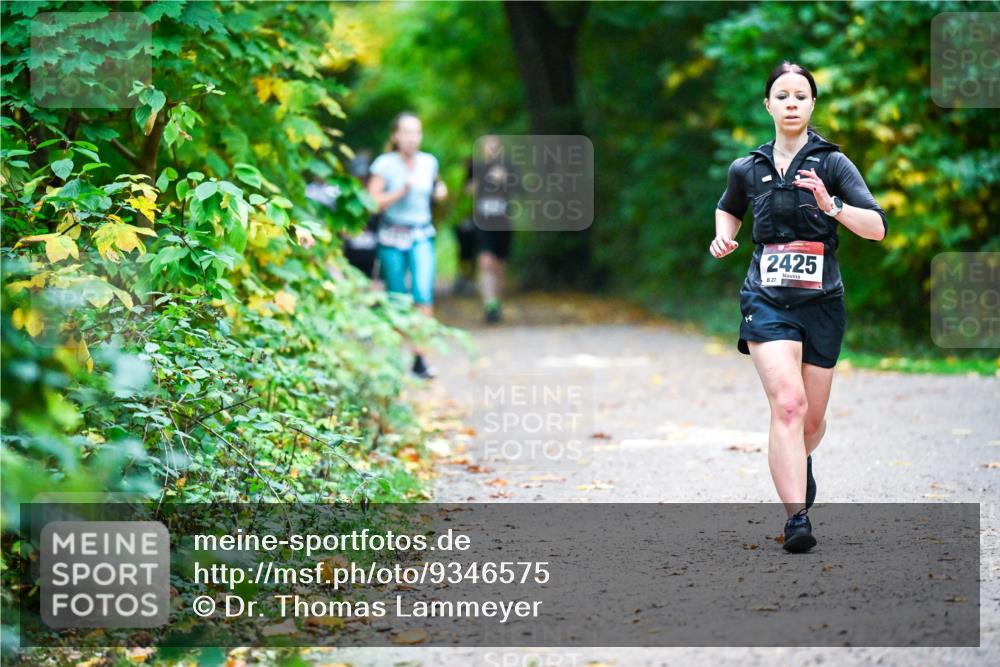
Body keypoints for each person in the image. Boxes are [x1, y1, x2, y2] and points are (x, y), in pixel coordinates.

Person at [711, 62, 887, 553]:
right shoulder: (747, 167)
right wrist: (724, 237)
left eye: (801, 96)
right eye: (782, 96)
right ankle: (797, 519)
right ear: (768, 105)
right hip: (766, 299)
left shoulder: (833, 164)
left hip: (822, 304)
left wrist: (831, 206)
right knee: (788, 404)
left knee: (809, 420)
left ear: (812, 105)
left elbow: (876, 227)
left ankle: (799, 458)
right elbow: (729, 207)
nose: (791, 103)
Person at [367, 112, 447, 379]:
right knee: (397, 298)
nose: (412, 138)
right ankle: (393, 359)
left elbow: (436, 185)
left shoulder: (429, 162)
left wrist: (440, 190)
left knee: (423, 294)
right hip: (392, 235)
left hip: (421, 234)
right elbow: (371, 202)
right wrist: (401, 190)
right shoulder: (384, 164)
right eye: (407, 132)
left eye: (417, 133)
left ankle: (420, 359)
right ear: (395, 136)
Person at [466, 135, 519, 323]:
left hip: (503, 222)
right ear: (482, 148)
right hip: (482, 222)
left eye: (495, 146)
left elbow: (521, 190)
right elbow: (468, 189)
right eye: (488, 146)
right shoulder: (476, 167)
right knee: (485, 262)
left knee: (499, 266)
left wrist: (505, 180)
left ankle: (497, 303)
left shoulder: (508, 167)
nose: (491, 149)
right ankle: (489, 305)